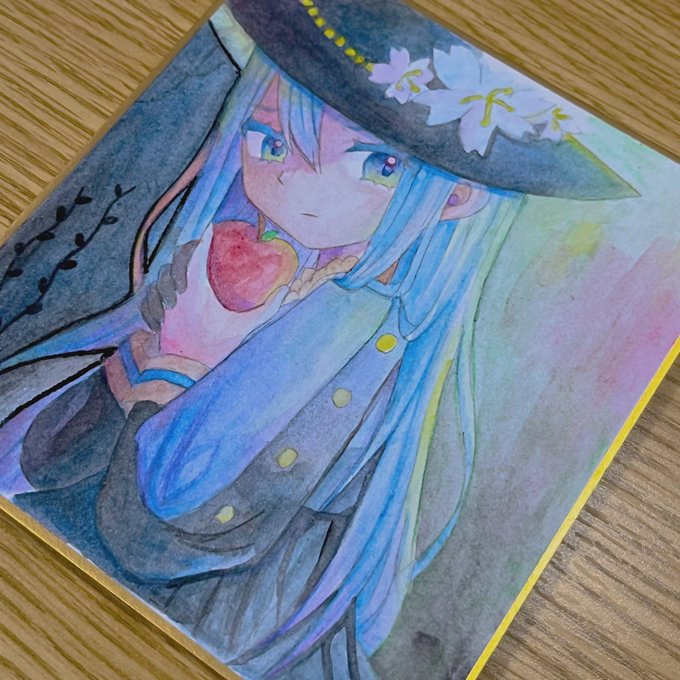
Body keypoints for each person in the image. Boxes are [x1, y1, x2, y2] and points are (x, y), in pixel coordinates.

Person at [0, 1, 636, 677]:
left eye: (375, 165)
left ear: (456, 199)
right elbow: (51, 455)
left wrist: (181, 366)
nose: (294, 182)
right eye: (270, 142)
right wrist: (152, 357)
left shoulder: (364, 340)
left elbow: (164, 544)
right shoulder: (224, 257)